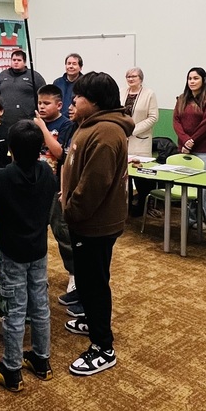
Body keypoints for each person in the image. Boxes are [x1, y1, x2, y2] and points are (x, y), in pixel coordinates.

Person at [62, 71, 133, 376]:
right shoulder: (90, 126)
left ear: (94, 101)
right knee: (92, 278)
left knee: (93, 283)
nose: (73, 100)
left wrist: (71, 212)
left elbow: (93, 186)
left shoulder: (106, 133)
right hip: (88, 221)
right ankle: (92, 318)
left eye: (78, 96)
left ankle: (102, 347)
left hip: (93, 223)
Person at [0, 120, 58, 391]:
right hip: (38, 250)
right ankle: (41, 359)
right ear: (40, 148)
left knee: (15, 310)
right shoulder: (48, 173)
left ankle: (12, 369)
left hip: (12, 253)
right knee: (39, 305)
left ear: (10, 148)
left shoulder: (2, 177)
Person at [33, 84, 77, 302]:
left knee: (62, 231)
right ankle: (38, 273)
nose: (41, 106)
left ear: (59, 105)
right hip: (35, 187)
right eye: (39, 103)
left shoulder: (67, 125)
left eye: (46, 103)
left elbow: (60, 153)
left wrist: (42, 128)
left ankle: (73, 274)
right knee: (36, 231)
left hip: (56, 187)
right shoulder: (33, 123)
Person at [172, 67, 206, 227]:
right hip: (185, 148)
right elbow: (176, 121)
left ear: (203, 80)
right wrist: (185, 140)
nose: (192, 81)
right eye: (189, 78)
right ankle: (192, 219)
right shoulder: (181, 99)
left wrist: (192, 141)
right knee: (189, 185)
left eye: (195, 78)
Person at [124, 68, 159, 218]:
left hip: (140, 140)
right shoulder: (123, 92)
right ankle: (127, 206)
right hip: (124, 139)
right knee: (125, 175)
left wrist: (133, 130)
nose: (131, 79)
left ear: (141, 78)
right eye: (128, 76)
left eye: (134, 76)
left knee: (141, 176)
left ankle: (143, 206)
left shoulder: (149, 94)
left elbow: (153, 117)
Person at [0, 49, 46, 130]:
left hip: (28, 122)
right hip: (5, 121)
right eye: (14, 60)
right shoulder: (3, 75)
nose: (16, 62)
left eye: (19, 60)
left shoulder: (34, 76)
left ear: (24, 62)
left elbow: (43, 95)